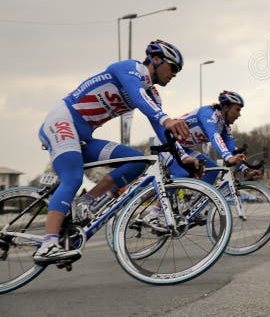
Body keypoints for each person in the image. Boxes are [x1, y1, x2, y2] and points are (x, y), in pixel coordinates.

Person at [34, 40, 194, 264]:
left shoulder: (153, 95)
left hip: (83, 137)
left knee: (138, 161)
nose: (175, 74)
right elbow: (138, 97)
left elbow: (160, 128)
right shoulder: (128, 68)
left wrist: (183, 156)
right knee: (73, 177)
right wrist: (166, 119)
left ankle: (86, 201)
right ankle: (47, 244)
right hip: (62, 121)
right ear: (156, 60)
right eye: (173, 67)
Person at [153, 90, 263, 187]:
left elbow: (232, 149)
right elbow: (214, 136)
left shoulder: (224, 126)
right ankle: (157, 204)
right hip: (165, 142)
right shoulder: (208, 113)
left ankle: (197, 203)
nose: (239, 115)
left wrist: (245, 170)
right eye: (237, 110)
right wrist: (228, 157)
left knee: (214, 172)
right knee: (182, 173)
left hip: (183, 149)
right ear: (225, 107)